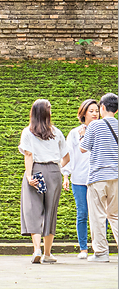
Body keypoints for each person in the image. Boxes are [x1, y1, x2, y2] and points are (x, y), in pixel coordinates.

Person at [19, 98, 68, 264]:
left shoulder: (28, 132)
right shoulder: (56, 132)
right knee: (50, 211)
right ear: (46, 113)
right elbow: (66, 157)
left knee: (33, 210)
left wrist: (28, 176)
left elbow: (29, 155)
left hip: (36, 171)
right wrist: (56, 169)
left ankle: (37, 250)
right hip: (54, 172)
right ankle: (47, 253)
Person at [80, 92, 119, 262]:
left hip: (98, 177)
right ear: (116, 110)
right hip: (116, 177)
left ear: (102, 107)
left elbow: (83, 148)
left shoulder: (95, 126)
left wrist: (83, 134)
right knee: (116, 215)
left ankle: (101, 253)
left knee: (98, 215)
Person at [61, 99, 98, 259]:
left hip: (98, 178)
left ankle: (99, 248)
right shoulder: (74, 133)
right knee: (82, 213)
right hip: (79, 179)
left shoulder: (102, 130)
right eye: (91, 111)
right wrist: (66, 175)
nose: (95, 114)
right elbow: (69, 155)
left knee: (99, 215)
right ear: (83, 113)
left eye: (97, 110)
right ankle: (83, 248)